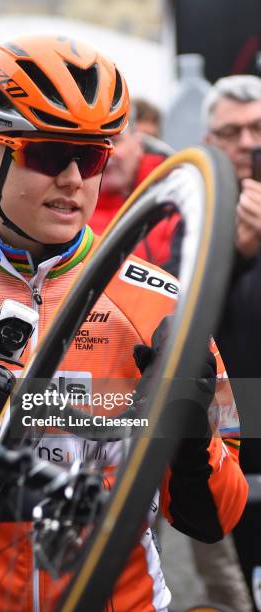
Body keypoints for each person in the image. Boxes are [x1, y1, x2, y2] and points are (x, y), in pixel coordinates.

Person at [0, 35, 247, 611]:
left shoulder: (162, 306)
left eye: (91, 157)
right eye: (47, 154)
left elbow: (218, 518)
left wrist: (194, 440)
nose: (73, 179)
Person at [204, 74, 261, 607]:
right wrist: (232, 253)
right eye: (232, 131)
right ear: (209, 142)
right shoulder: (189, 212)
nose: (248, 143)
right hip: (232, 439)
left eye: (258, 129)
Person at [89, 124, 179, 271]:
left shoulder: (176, 196)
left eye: (115, 141)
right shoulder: (60, 212)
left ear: (138, 144)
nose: (105, 153)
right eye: (93, 145)